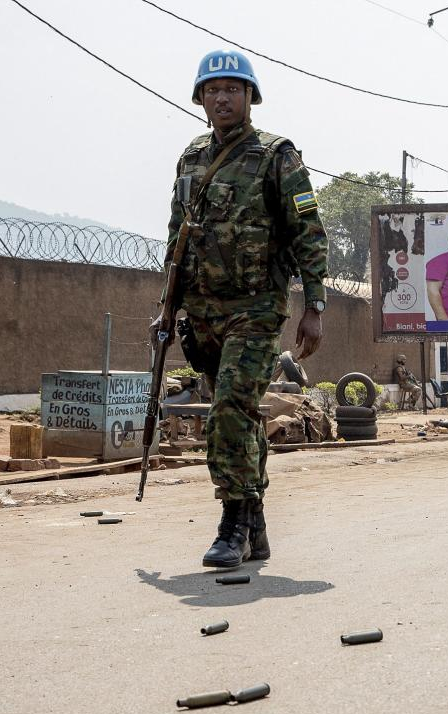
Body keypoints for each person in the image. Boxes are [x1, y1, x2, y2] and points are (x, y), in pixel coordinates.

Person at [158, 49, 329, 567]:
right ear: (200, 99)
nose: (222, 98)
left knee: (230, 410)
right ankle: (255, 523)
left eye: (232, 89)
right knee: (243, 415)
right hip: (202, 311)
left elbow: (308, 231)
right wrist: (168, 307)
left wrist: (314, 305)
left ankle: (232, 524)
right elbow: (178, 236)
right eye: (212, 90)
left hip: (256, 308)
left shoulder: (277, 155)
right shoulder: (191, 157)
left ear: (250, 97)